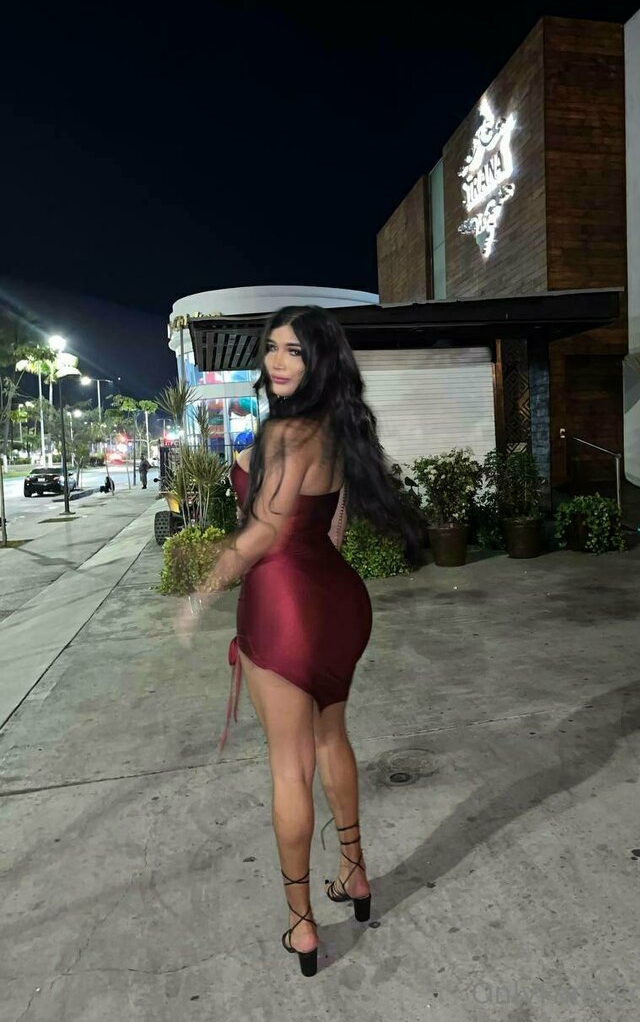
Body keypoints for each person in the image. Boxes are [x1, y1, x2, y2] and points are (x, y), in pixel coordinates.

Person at [177, 306, 424, 977]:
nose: (278, 361)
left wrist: (198, 597)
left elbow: (261, 535)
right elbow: (333, 529)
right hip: (337, 599)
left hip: (284, 604)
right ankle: (354, 873)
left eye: (295, 350)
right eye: (273, 348)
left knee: (290, 766)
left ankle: (302, 925)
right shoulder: (338, 430)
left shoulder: (284, 432)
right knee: (331, 737)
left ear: (321, 361)